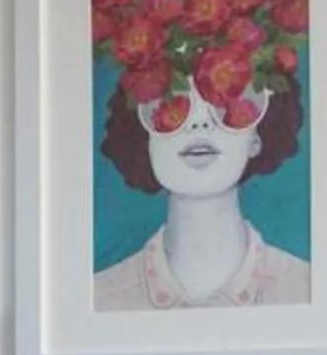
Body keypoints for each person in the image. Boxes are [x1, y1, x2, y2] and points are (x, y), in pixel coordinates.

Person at [93, 77, 308, 309]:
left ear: (256, 139)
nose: (199, 122)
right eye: (172, 104)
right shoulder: (98, 299)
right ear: (145, 139)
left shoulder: (307, 291)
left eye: (225, 103)